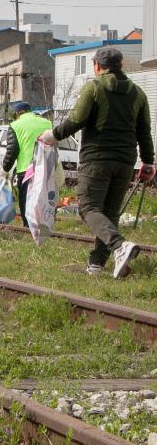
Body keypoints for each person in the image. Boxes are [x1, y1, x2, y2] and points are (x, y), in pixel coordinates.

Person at [40, 46, 155, 278]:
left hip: (97, 159)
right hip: (125, 162)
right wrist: (148, 162)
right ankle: (96, 264)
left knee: (88, 207)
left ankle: (119, 246)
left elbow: (76, 120)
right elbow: (144, 131)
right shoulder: (138, 93)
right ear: (121, 65)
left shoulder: (94, 87)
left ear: (97, 67)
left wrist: (52, 136)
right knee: (110, 213)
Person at [0, 101, 52, 227]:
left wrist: (5, 169)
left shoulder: (15, 125)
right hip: (46, 168)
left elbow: (12, 151)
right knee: (43, 199)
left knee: (26, 200)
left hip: (26, 170)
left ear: (18, 113)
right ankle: (44, 224)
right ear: (30, 111)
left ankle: (27, 226)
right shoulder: (47, 123)